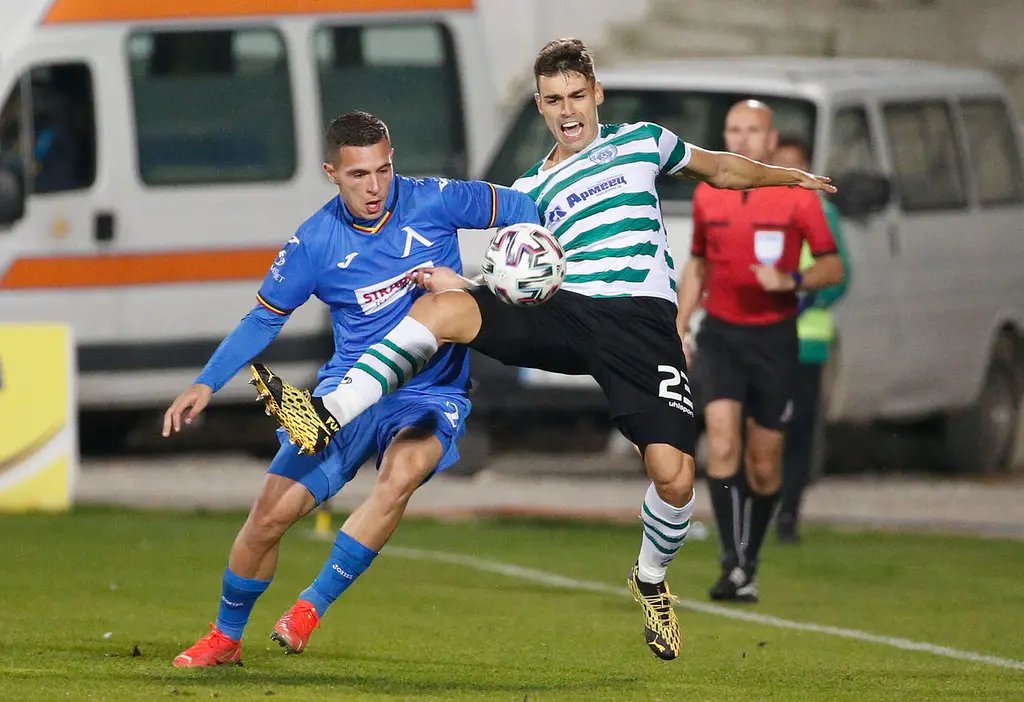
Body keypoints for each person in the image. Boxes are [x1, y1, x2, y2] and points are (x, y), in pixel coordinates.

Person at [253, 38, 835, 662]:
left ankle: (650, 579)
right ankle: (329, 412)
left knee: (674, 477)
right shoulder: (532, 187)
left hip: (640, 327)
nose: (568, 110)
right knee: (444, 310)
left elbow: (720, 168)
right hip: (566, 311)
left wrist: (788, 177)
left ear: (596, 94)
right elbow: (518, 269)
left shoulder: (644, 141)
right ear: (539, 105)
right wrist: (467, 282)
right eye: (554, 100)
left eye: (576, 95)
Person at [161, 110, 540, 667]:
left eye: (383, 170)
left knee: (400, 476)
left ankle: (309, 607)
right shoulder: (315, 241)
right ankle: (225, 638)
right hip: (347, 395)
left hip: (429, 393)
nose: (375, 186)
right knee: (267, 519)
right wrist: (205, 382)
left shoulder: (436, 199)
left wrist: (480, 282)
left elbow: (524, 210)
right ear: (332, 173)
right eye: (359, 174)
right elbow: (264, 318)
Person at [677, 101, 845, 604]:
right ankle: (732, 563)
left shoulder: (798, 198)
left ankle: (749, 562)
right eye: (734, 129)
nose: (742, 139)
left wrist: (790, 279)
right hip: (720, 336)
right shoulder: (708, 193)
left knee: (764, 463)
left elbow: (833, 267)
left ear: (771, 140)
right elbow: (698, 263)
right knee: (721, 444)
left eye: (753, 130)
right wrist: (680, 324)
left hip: (774, 340)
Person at [770, 135, 850, 544]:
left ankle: (788, 516)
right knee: (761, 427)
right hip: (761, 339)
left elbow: (840, 275)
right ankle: (757, 509)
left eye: (795, 165)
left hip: (805, 342)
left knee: (798, 431)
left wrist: (802, 298)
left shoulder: (822, 211)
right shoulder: (758, 206)